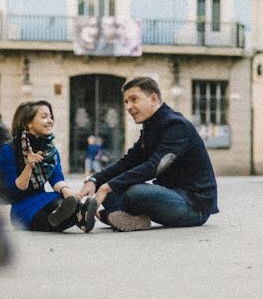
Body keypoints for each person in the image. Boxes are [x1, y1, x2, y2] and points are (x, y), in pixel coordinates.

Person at [76, 76, 218, 232]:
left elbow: (153, 167)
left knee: (134, 192)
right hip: (170, 197)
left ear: (153, 99)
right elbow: (127, 163)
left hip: (193, 206)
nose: (129, 107)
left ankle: (113, 213)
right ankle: (120, 216)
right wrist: (95, 181)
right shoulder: (150, 128)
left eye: (134, 99)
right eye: (126, 102)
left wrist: (105, 188)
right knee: (112, 183)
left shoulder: (176, 125)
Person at [0, 100, 97, 233]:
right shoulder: (9, 150)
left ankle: (77, 214)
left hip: (45, 199)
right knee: (53, 213)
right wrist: (29, 166)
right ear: (28, 123)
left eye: (50, 116)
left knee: (60, 201)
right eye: (44, 117)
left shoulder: (50, 150)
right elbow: (13, 189)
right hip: (21, 207)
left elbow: (56, 178)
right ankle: (79, 216)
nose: (50, 120)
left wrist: (69, 194)